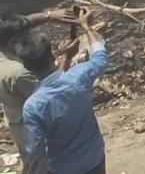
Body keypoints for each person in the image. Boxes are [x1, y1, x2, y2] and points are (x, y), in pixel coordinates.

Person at [19, 10, 107, 174]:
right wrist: (86, 27)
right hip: (94, 159)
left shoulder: (33, 106)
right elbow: (100, 57)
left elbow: (35, 151)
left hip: (63, 168)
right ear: (52, 54)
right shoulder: (79, 76)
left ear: (27, 67)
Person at [1, 9, 66, 174]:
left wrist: (50, 15)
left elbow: (20, 24)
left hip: (17, 123)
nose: (27, 38)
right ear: (11, 42)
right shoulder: (18, 73)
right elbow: (52, 93)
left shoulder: (5, 60)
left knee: (31, 164)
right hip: (34, 129)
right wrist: (67, 60)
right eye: (24, 35)